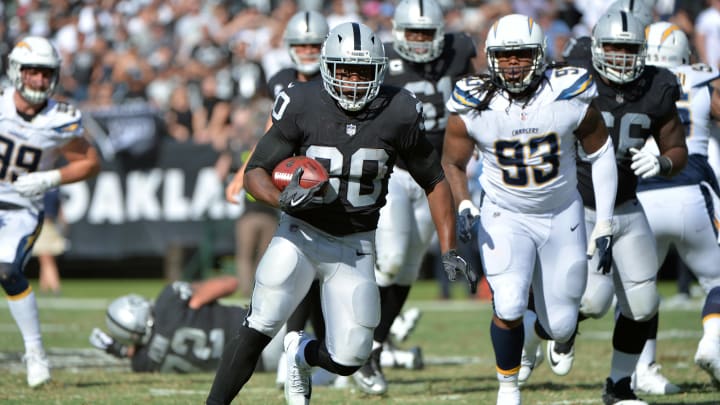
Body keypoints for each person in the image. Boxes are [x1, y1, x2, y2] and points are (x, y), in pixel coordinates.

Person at [206, 22, 474, 405]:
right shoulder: (301, 101)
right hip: (300, 233)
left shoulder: (398, 109)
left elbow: (434, 179)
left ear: (379, 71)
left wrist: (449, 248)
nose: (352, 81)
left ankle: (300, 353)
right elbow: (256, 171)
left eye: (362, 72)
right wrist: (282, 201)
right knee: (259, 326)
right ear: (327, 67)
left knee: (350, 359)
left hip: (354, 243)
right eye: (344, 70)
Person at [442, 13, 618, 405]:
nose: (513, 64)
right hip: (505, 213)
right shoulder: (474, 102)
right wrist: (466, 203)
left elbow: (602, 152)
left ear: (539, 55)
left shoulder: (567, 92)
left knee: (561, 323)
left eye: (522, 54)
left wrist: (604, 223)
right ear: (491, 58)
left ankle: (551, 336)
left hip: (561, 212)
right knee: (506, 301)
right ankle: (508, 388)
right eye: (505, 56)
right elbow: (452, 162)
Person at [536, 11, 688, 405]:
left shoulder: (658, 85)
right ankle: (558, 331)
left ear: (644, 52)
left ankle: (619, 386)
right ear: (596, 48)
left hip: (626, 205)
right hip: (579, 205)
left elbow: (676, 147)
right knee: (593, 301)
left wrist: (663, 162)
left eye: (630, 49)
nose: (621, 56)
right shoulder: (572, 79)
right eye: (614, 47)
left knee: (643, 303)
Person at [352, 0, 477, 395]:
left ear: (440, 34)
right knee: (388, 263)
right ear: (397, 32)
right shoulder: (382, 59)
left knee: (407, 269)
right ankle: (355, 335)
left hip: (436, 176)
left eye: (427, 34)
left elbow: (476, 93)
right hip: (395, 173)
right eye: (413, 33)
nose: (420, 42)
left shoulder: (459, 50)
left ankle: (372, 348)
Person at [0, 36, 101, 387]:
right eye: (32, 73)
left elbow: (89, 162)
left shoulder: (60, 118)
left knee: (7, 269)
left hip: (20, 206)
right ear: (16, 72)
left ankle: (35, 352)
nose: (39, 81)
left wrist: (49, 177)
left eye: (45, 74)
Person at [633, 21, 720, 393]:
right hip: (690, 190)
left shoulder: (632, 80)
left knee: (640, 289)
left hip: (641, 196)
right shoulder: (702, 79)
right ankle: (713, 342)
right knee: (717, 279)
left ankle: (644, 369)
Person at [88, 276, 285, 373]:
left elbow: (140, 350)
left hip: (263, 365)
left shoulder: (143, 364)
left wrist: (115, 348)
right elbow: (230, 283)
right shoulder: (169, 303)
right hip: (266, 328)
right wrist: (198, 297)